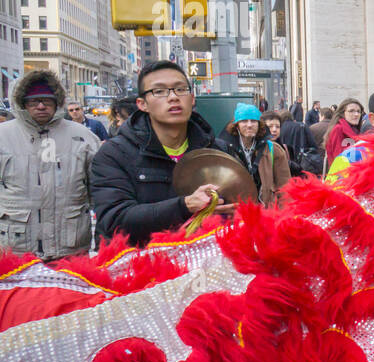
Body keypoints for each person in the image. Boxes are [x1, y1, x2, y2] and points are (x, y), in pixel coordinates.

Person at [91, 61, 236, 246]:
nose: (173, 97)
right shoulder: (114, 154)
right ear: (142, 104)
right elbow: (114, 220)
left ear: (192, 99)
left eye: (180, 89)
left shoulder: (218, 151)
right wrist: (184, 206)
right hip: (143, 266)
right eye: (159, 91)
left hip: (205, 265)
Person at [0, 70, 100, 259]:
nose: (40, 106)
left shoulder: (83, 137)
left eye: (46, 101)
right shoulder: (2, 137)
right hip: (15, 251)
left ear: (57, 102)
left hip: (70, 249)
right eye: (33, 101)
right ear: (22, 103)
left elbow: (99, 192)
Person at [226, 103, 291, 207]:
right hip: (237, 214)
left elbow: (285, 187)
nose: (249, 125)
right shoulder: (226, 149)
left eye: (253, 121)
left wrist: (284, 216)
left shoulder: (274, 150)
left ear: (259, 124)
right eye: (244, 121)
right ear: (236, 125)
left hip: (266, 213)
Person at [324, 99, 364, 166]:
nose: (356, 114)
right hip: (343, 173)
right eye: (351, 111)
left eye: (358, 111)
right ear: (342, 113)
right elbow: (338, 158)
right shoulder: (338, 129)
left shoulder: (355, 129)